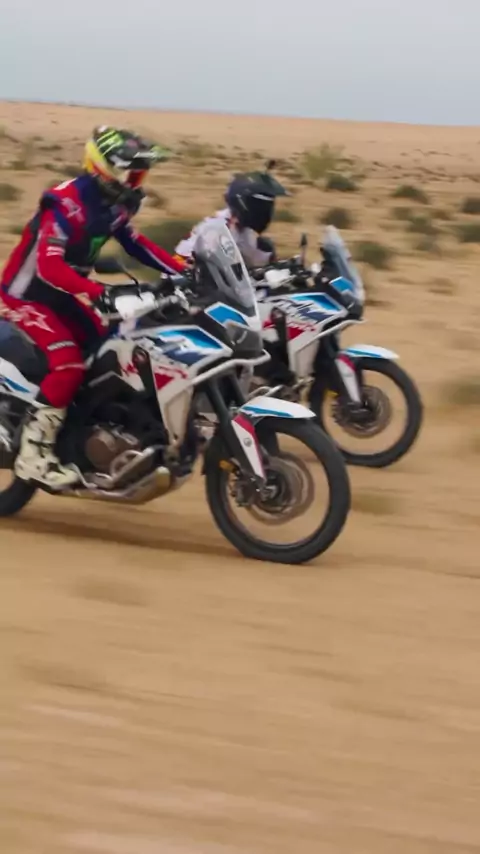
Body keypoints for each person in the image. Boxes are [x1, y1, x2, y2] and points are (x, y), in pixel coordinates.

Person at [0, 125, 186, 490]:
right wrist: (95, 291)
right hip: (24, 297)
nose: (136, 179)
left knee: (114, 346)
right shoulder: (66, 203)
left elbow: (136, 244)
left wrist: (185, 273)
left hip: (60, 296)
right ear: (105, 167)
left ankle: (87, 433)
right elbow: (49, 266)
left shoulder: (113, 205)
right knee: (68, 362)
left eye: (140, 172)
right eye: (131, 171)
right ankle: (33, 454)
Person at [174, 163, 288, 270]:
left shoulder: (247, 234)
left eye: (268, 206)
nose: (264, 211)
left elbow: (260, 265)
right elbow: (180, 262)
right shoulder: (214, 230)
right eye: (260, 206)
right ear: (243, 203)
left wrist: (283, 267)